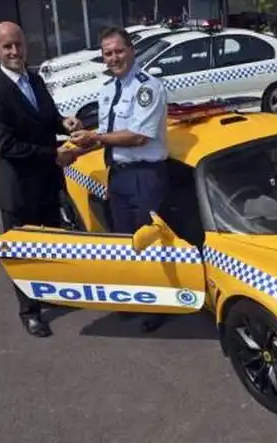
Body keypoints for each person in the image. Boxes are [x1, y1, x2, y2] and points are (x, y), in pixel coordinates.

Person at [0, 21, 83, 338]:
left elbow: (47, 118)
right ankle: (30, 312)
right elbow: (7, 147)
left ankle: (49, 293)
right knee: (22, 253)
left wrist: (64, 123)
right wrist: (54, 154)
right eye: (7, 46)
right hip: (18, 190)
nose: (15, 51)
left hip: (48, 184)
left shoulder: (35, 80)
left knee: (49, 245)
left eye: (18, 44)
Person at [64, 26, 169, 332]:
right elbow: (108, 135)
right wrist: (80, 146)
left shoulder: (148, 87)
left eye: (119, 51)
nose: (114, 58)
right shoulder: (108, 89)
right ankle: (135, 297)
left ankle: (158, 306)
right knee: (124, 241)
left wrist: (95, 137)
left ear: (131, 50)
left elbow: (138, 137)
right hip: (119, 176)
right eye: (108, 53)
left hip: (145, 176)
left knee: (148, 244)